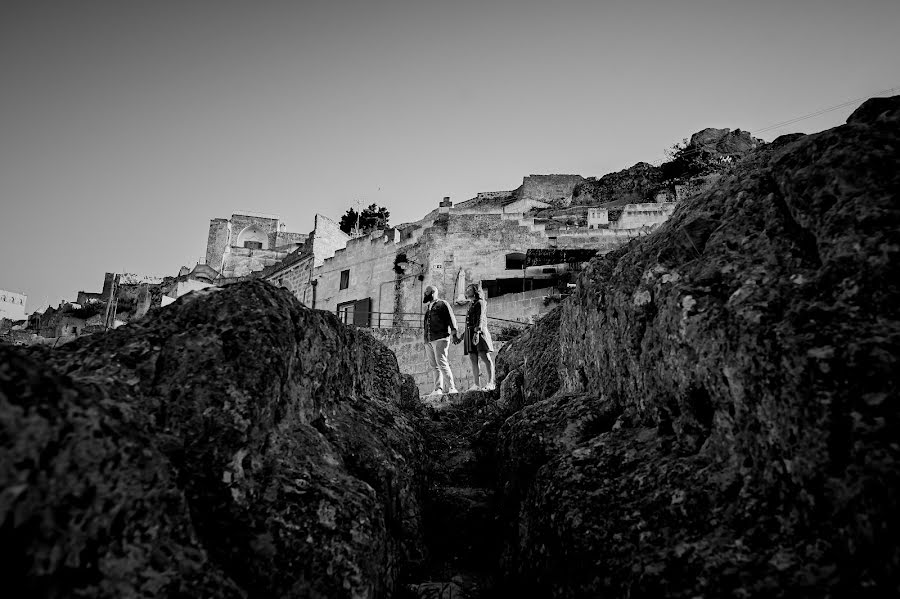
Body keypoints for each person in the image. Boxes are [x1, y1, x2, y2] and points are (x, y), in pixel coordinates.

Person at [422, 284, 459, 396]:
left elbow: (451, 318)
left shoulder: (442, 304)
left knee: (441, 362)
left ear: (433, 292)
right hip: (429, 339)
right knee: (434, 365)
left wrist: (454, 333)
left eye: (426, 292)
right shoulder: (428, 307)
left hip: (441, 337)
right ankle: (438, 388)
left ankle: (452, 387)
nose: (425, 294)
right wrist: (425, 340)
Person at [460, 283, 495, 391]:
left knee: (484, 356)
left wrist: (477, 332)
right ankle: (476, 384)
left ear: (475, 291)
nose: (467, 291)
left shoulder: (480, 302)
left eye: (469, 289)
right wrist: (462, 336)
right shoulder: (471, 304)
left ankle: (491, 382)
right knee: (473, 358)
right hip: (470, 332)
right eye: (467, 289)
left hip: (479, 332)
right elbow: (468, 322)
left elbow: (480, 318)